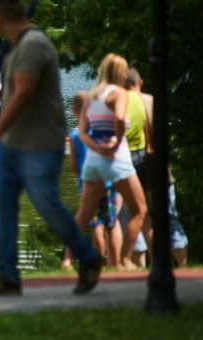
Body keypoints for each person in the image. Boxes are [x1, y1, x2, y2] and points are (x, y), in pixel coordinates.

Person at [0, 0, 102, 296]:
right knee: (1, 207)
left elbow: (24, 94)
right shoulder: (17, 47)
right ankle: (8, 277)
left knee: (46, 204)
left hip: (39, 143)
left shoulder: (33, 45)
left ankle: (88, 257)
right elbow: (14, 90)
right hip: (11, 143)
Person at [75, 54, 148, 272]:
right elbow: (118, 118)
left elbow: (82, 133)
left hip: (93, 161)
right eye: (125, 71)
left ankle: (76, 258)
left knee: (84, 215)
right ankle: (125, 260)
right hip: (117, 160)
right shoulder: (119, 93)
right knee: (139, 209)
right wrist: (115, 144)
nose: (126, 75)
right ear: (119, 73)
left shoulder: (91, 96)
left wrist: (97, 147)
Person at [123, 67, 189, 268]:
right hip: (156, 162)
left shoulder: (120, 102)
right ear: (140, 82)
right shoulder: (150, 100)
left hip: (130, 163)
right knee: (168, 215)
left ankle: (145, 266)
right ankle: (183, 266)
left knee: (135, 214)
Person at [60, 91, 123, 270]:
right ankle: (114, 263)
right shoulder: (101, 131)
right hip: (108, 182)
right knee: (112, 222)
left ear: (74, 111)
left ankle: (77, 260)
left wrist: (80, 176)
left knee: (94, 223)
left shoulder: (74, 135)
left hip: (87, 182)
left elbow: (73, 165)